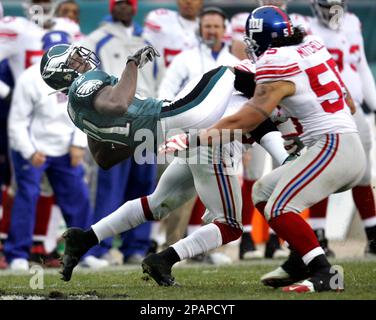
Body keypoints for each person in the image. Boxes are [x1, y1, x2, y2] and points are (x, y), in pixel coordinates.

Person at [39, 41, 291, 282]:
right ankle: (288, 159)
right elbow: (117, 104)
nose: (82, 60)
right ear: (64, 74)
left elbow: (104, 158)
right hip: (179, 117)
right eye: (74, 60)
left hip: (167, 134)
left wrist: (141, 134)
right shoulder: (85, 83)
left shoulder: (75, 111)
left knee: (157, 203)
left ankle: (85, 239)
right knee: (231, 72)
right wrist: (132, 63)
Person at [161, 6, 366, 293]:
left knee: (280, 208)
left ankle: (325, 273)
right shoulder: (313, 47)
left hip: (332, 146)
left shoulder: (274, 59)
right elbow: (350, 104)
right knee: (263, 191)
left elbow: (248, 118)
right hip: (343, 143)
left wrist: (193, 138)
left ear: (259, 39)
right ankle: (299, 259)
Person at [77, 0, 161, 266]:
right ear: (112, 6)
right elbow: (89, 83)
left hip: (146, 119)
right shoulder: (96, 39)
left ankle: (135, 247)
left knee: (143, 187)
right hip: (114, 122)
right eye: (119, 3)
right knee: (108, 188)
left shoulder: (146, 39)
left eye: (128, 3)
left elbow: (159, 79)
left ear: (135, 7)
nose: (124, 7)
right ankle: (98, 249)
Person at [4, 30, 93, 271]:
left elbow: (85, 113)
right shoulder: (29, 78)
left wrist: (78, 143)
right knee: (27, 196)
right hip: (35, 147)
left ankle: (83, 251)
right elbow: (17, 122)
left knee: (79, 197)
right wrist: (29, 150)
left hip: (66, 146)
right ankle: (17, 253)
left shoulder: (80, 76)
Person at [298, 0, 376, 257]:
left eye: (336, 4)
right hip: (323, 113)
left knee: (362, 172)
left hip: (355, 111)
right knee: (323, 172)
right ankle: (319, 234)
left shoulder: (353, 23)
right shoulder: (305, 28)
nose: (332, 10)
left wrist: (374, 104)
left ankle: (373, 235)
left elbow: (361, 65)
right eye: (327, 5)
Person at [143, 0, 203, 69]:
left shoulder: (209, 27)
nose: (188, 1)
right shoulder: (161, 18)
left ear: (201, 2)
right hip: (163, 77)